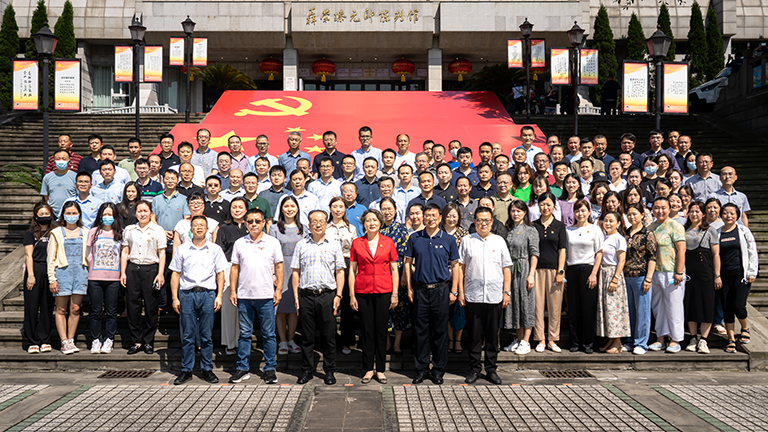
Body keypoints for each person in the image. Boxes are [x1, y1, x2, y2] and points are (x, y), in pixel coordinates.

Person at [405, 204, 460, 385]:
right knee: (420, 331)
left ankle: (438, 370)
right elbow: (407, 262)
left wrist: (454, 290)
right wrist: (409, 288)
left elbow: (455, 266)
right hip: (420, 290)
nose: (430, 219)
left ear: (440, 218)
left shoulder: (448, 240)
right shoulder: (415, 238)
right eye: (427, 215)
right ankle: (421, 369)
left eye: (434, 215)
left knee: (440, 332)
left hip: (441, 290)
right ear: (422, 217)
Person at [228, 209, 284, 384]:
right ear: (245, 224)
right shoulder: (239, 243)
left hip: (266, 295)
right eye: (250, 221)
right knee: (245, 334)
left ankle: (270, 368)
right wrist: (232, 291)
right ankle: (242, 368)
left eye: (257, 221)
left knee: (268, 334)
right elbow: (234, 268)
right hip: (244, 295)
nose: (254, 224)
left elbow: (279, 267)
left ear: (263, 223)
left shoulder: (272, 242)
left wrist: (279, 290)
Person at [169, 215, 227, 385]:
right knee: (187, 335)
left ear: (207, 229)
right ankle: (186, 369)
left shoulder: (215, 249)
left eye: (202, 225)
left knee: (206, 335)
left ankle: (207, 369)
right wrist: (174, 298)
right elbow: (175, 274)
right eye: (196, 225)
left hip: (208, 294)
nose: (199, 227)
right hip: (187, 295)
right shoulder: (182, 249)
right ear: (191, 230)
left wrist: (219, 296)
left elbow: (220, 274)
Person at [292, 210, 346, 385]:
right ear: (309, 225)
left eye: (321, 221)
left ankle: (329, 371)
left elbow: (340, 271)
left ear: (326, 224)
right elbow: (295, 272)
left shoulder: (334, 245)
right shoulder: (301, 245)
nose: (317, 224)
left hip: (327, 295)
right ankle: (307, 370)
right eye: (314, 221)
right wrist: (296, 297)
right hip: (306, 295)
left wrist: (338, 295)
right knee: (307, 337)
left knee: (329, 336)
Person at [459, 206, 511, 385]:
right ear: (474, 222)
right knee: (474, 335)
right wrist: (460, 292)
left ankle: (491, 369)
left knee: (492, 335)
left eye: (487, 220)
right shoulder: (467, 240)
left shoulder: (499, 241)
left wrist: (506, 292)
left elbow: (506, 268)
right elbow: (461, 267)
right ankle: (474, 369)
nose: (483, 223)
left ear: (492, 222)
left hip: (494, 295)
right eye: (480, 220)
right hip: (472, 294)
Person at [349, 209, 399, 384]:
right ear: (363, 223)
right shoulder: (357, 243)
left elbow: (394, 269)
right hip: (363, 291)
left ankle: (381, 369)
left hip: (384, 290)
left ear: (380, 222)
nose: (372, 223)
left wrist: (395, 293)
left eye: (375, 220)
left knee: (381, 331)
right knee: (367, 330)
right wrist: (352, 295)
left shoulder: (388, 242)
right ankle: (368, 369)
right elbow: (352, 270)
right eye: (368, 220)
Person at [121, 200, 166, 355]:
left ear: (150, 212)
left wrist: (160, 273)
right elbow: (125, 251)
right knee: (133, 307)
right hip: (133, 269)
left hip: (151, 270)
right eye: (139, 211)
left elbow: (162, 253)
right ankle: (136, 341)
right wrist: (123, 272)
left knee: (151, 307)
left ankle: (148, 341)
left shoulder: (158, 230)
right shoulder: (129, 229)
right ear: (135, 213)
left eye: (145, 211)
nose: (142, 214)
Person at [47, 201, 89, 354]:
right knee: (61, 308)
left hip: (81, 272)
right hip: (62, 272)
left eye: (74, 213)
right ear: (63, 215)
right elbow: (51, 258)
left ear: (79, 215)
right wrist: (52, 278)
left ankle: (71, 339)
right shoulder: (56, 233)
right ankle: (63, 341)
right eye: (68, 213)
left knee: (76, 308)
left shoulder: (86, 232)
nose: (71, 216)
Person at [647, 197, 687, 353]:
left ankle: (675, 339)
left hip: (671, 272)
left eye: (663, 207)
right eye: (656, 208)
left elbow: (681, 250)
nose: (660, 211)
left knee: (674, 306)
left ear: (669, 209)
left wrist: (679, 271)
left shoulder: (675, 226)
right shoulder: (650, 227)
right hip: (655, 272)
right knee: (658, 307)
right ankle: (660, 338)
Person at [717, 203, 758, 353]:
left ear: (737, 215)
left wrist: (752, 272)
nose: (728, 216)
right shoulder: (717, 232)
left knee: (738, 305)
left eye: (732, 213)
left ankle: (745, 328)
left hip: (741, 275)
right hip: (723, 276)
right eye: (725, 213)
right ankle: (731, 339)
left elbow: (752, 251)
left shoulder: (743, 231)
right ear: (721, 215)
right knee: (727, 307)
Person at [501, 200, 539, 355]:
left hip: (524, 268)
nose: (515, 214)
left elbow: (534, 253)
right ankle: (518, 339)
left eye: (519, 211)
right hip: (510, 270)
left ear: (525, 212)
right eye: (513, 211)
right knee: (514, 304)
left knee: (526, 303)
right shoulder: (509, 230)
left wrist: (531, 274)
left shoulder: (530, 229)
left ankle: (526, 341)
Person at [565, 199, 603, 354]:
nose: (580, 214)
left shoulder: (595, 229)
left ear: (589, 212)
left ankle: (588, 343)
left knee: (588, 308)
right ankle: (575, 342)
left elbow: (599, 253)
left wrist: (594, 273)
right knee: (573, 308)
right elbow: (565, 253)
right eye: (577, 211)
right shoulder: (568, 230)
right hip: (572, 269)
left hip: (588, 270)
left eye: (583, 210)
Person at [682, 201, 720, 354]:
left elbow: (716, 254)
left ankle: (703, 340)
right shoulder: (683, 230)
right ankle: (692, 338)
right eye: (692, 211)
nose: (694, 214)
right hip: (688, 274)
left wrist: (717, 275)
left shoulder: (710, 231)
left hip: (706, 273)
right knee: (690, 304)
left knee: (706, 305)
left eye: (697, 211)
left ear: (703, 214)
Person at [532, 192, 567, 353]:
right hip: (537, 270)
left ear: (554, 206)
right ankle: (540, 338)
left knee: (555, 306)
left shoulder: (559, 226)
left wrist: (561, 271)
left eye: (548, 204)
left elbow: (562, 250)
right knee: (537, 306)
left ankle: (552, 339)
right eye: (542, 204)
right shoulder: (533, 225)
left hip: (555, 270)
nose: (545, 207)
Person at [86, 202, 123, 354]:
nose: (107, 217)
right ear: (100, 216)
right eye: (105, 214)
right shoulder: (94, 232)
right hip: (95, 277)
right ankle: (96, 339)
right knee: (95, 310)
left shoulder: (120, 232)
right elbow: (88, 254)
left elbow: (123, 254)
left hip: (113, 278)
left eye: (110, 214)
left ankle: (109, 339)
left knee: (111, 311)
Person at [269, 196, 304, 356]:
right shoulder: (275, 228)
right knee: (280, 307)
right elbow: (271, 252)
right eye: (286, 206)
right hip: (280, 268)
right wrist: (273, 273)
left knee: (294, 307)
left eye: (292, 206)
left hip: (298, 270)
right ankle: (282, 340)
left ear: (297, 208)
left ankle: (291, 339)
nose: (289, 209)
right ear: (281, 209)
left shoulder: (304, 228)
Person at [215, 197, 249, 356]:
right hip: (228, 267)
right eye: (234, 207)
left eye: (240, 207)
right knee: (229, 308)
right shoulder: (223, 228)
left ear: (246, 209)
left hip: (248, 269)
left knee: (245, 308)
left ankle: (243, 341)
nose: (237, 210)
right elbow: (219, 252)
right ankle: (230, 343)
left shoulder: (251, 227)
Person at [623, 202, 657, 355]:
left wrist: (648, 278)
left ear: (642, 215)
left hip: (641, 277)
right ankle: (630, 341)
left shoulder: (647, 234)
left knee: (643, 312)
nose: (632, 217)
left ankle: (641, 343)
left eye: (635, 214)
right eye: (629, 214)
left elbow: (652, 257)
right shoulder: (625, 233)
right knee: (630, 311)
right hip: (626, 277)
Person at [326, 197, 358, 356]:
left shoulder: (351, 228)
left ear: (345, 209)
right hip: (328, 266)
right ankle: (329, 341)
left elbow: (355, 251)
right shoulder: (325, 228)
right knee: (329, 306)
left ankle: (346, 341)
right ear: (330, 209)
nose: (338, 209)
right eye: (335, 206)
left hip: (346, 265)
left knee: (346, 306)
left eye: (341, 206)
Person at [23, 203, 56, 354]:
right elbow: (28, 255)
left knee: (47, 306)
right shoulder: (31, 234)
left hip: (50, 271)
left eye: (46, 213)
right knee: (31, 306)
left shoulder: (55, 232)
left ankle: (45, 339)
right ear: (35, 216)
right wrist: (30, 275)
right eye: (41, 214)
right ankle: (32, 340)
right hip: (35, 269)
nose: (44, 216)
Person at [595, 211, 630, 353]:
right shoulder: (603, 236)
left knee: (615, 308)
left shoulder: (619, 238)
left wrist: (615, 279)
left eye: (611, 221)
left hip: (613, 273)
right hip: (602, 273)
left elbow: (622, 260)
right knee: (606, 309)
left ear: (618, 223)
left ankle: (618, 342)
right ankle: (611, 339)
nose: (608, 223)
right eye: (606, 220)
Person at [378, 198, 410, 355]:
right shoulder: (377, 229)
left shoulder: (401, 229)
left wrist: (404, 275)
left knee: (399, 309)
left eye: (390, 208)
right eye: (384, 209)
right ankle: (387, 342)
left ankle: (397, 343)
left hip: (398, 272)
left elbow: (406, 254)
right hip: (382, 275)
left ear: (396, 210)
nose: (387, 212)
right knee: (384, 309)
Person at [441, 203, 469, 355]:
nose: (451, 219)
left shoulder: (464, 234)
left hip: (459, 276)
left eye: (454, 216)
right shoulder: (438, 232)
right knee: (446, 310)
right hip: (441, 277)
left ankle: (457, 340)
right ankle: (449, 339)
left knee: (459, 309)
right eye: (448, 216)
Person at [41, 150, 77, 216]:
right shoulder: (47, 177)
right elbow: (45, 195)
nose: (61, 161)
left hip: (70, 213)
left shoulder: (75, 177)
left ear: (69, 161)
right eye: (58, 159)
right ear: (54, 161)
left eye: (64, 159)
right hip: (53, 213)